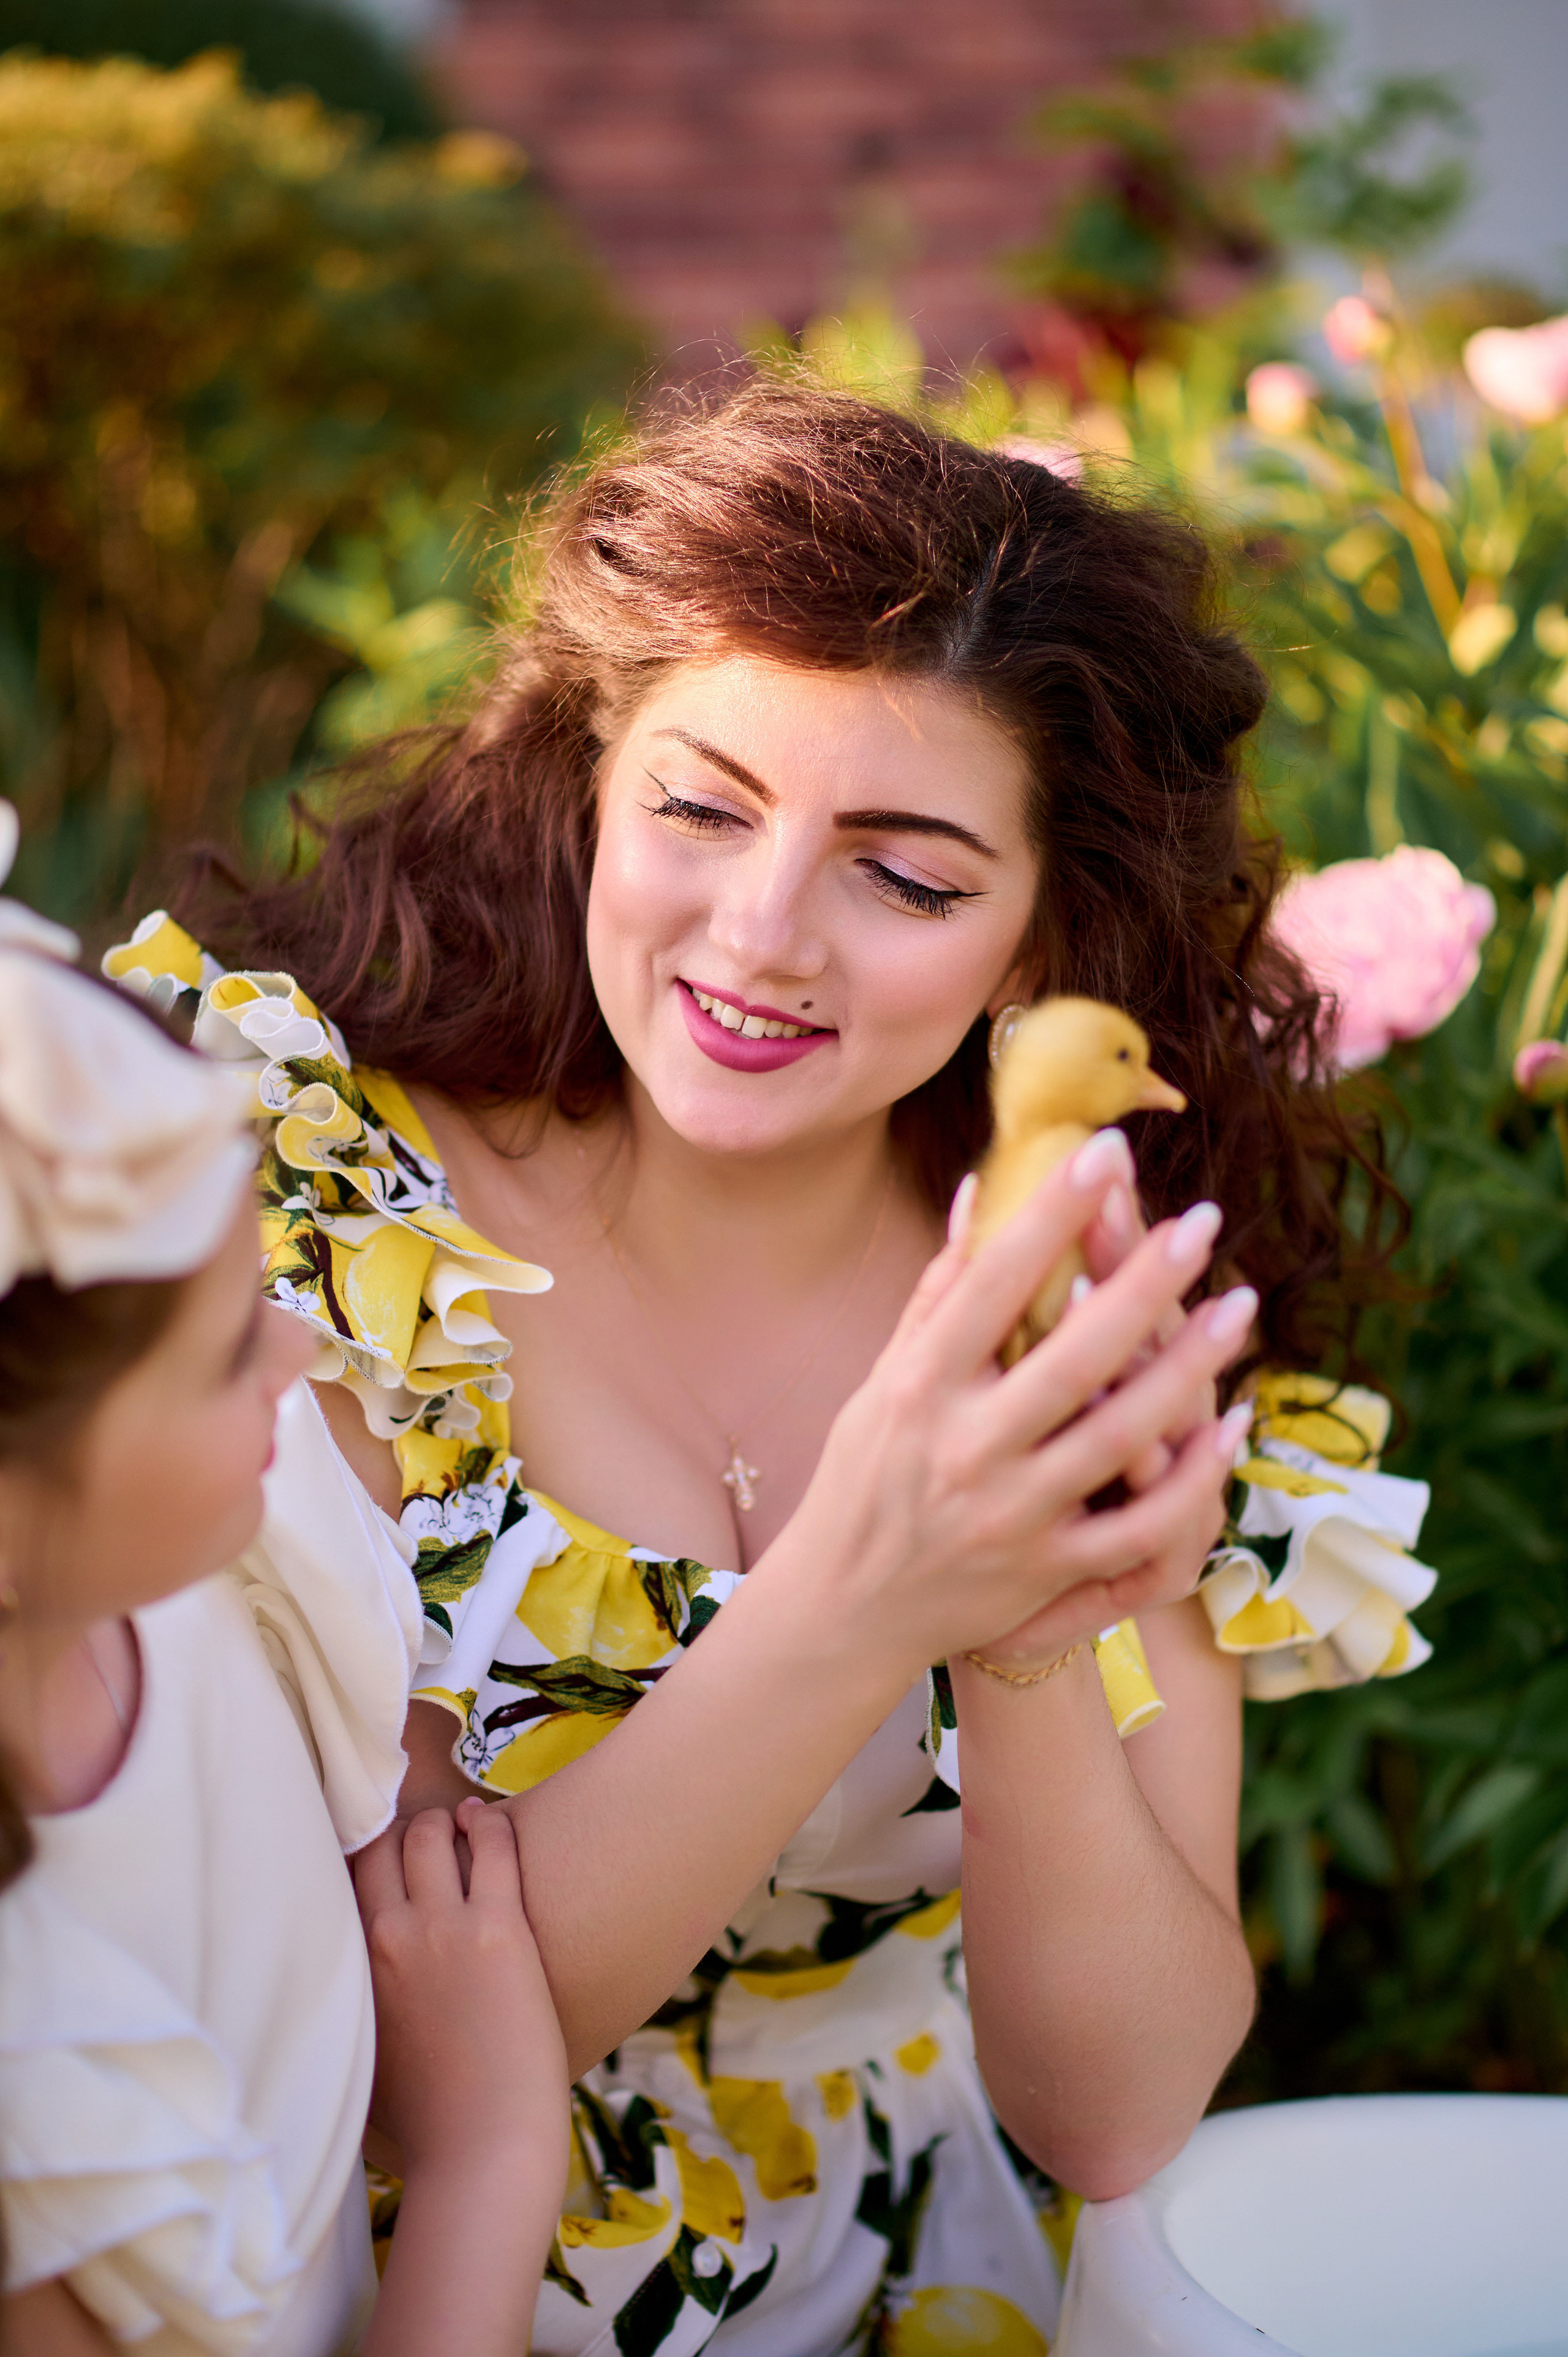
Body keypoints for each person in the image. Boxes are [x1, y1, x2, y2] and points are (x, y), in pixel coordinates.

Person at [112, 385, 1436, 2354]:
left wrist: (1020, 1628)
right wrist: (864, 1589)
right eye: (701, 806)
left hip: (921, 2285)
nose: (761, 934)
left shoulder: (1093, 1291)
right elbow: (385, 2070)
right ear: (592, 776)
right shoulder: (324, 1219)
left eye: (904, 877)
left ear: (1037, 943)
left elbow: (1119, 2107)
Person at [0, 806, 570, 2356]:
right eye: (208, 1356)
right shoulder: (27, 2087)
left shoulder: (225, 1558)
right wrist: (485, 2162)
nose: (302, 1345)